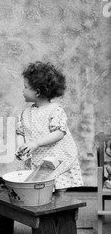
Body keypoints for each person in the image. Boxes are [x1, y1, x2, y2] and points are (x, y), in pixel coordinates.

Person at [16, 61, 83, 191]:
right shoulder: (25, 114)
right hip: (38, 158)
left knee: (59, 189)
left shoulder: (54, 110)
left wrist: (36, 143)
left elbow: (59, 133)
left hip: (56, 157)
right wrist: (20, 147)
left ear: (37, 92)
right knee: (40, 189)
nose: (22, 90)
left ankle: (62, 210)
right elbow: (21, 133)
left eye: (25, 87)